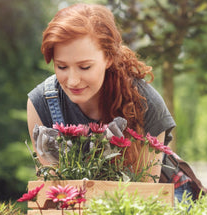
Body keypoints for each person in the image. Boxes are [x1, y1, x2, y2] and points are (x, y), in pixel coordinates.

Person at [26, 3, 176, 184]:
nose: (73, 80)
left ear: (108, 58)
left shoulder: (147, 104)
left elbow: (143, 198)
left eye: (85, 67)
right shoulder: (41, 103)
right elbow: (51, 194)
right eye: (62, 66)